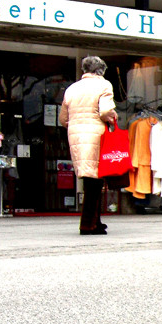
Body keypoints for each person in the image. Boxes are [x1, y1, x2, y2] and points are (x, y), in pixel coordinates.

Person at [59, 56, 118, 235]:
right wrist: (113, 117)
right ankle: (87, 225)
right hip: (96, 136)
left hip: (76, 136)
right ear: (101, 70)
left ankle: (96, 222)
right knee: (94, 182)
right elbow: (106, 111)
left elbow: (63, 119)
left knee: (90, 180)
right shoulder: (104, 85)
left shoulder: (71, 88)